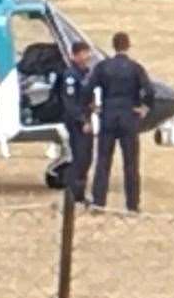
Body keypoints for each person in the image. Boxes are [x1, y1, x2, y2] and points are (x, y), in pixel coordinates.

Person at [89, 31, 153, 212]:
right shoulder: (135, 68)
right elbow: (149, 91)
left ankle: (99, 202)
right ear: (128, 46)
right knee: (131, 164)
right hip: (128, 116)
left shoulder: (103, 67)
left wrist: (94, 106)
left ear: (113, 46)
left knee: (103, 161)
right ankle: (132, 205)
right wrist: (144, 108)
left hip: (108, 115)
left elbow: (88, 87)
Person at [53, 41, 95, 203]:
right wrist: (82, 120)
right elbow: (70, 103)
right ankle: (73, 194)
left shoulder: (86, 74)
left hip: (87, 119)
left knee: (86, 158)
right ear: (75, 56)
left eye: (88, 52)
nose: (87, 56)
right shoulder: (70, 76)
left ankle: (79, 193)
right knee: (80, 157)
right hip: (76, 122)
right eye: (84, 53)